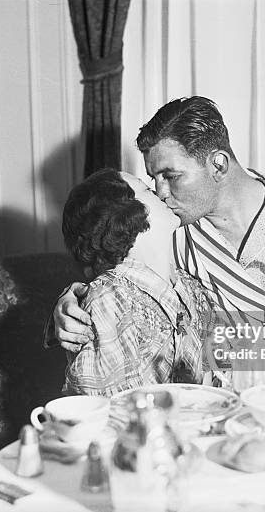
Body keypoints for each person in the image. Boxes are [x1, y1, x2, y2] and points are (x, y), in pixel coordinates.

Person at [53, 97, 265, 385]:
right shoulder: (174, 242)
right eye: (152, 179)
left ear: (218, 165)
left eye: (170, 176)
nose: (160, 192)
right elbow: (122, 291)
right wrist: (71, 300)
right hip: (237, 427)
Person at [61, 168, 213, 396]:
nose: (161, 194)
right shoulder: (109, 299)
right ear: (121, 213)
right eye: (147, 190)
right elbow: (110, 412)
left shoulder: (192, 288)